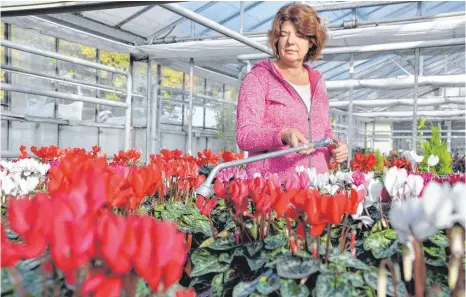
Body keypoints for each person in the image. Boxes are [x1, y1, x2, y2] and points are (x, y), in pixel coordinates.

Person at [236, 3, 348, 181]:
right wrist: (281, 134)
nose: (290, 42)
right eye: (284, 34)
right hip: (273, 188)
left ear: (311, 41)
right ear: (276, 40)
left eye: (299, 35)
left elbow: (324, 131)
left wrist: (336, 146)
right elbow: (244, 136)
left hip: (316, 186)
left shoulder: (317, 81)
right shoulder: (258, 78)